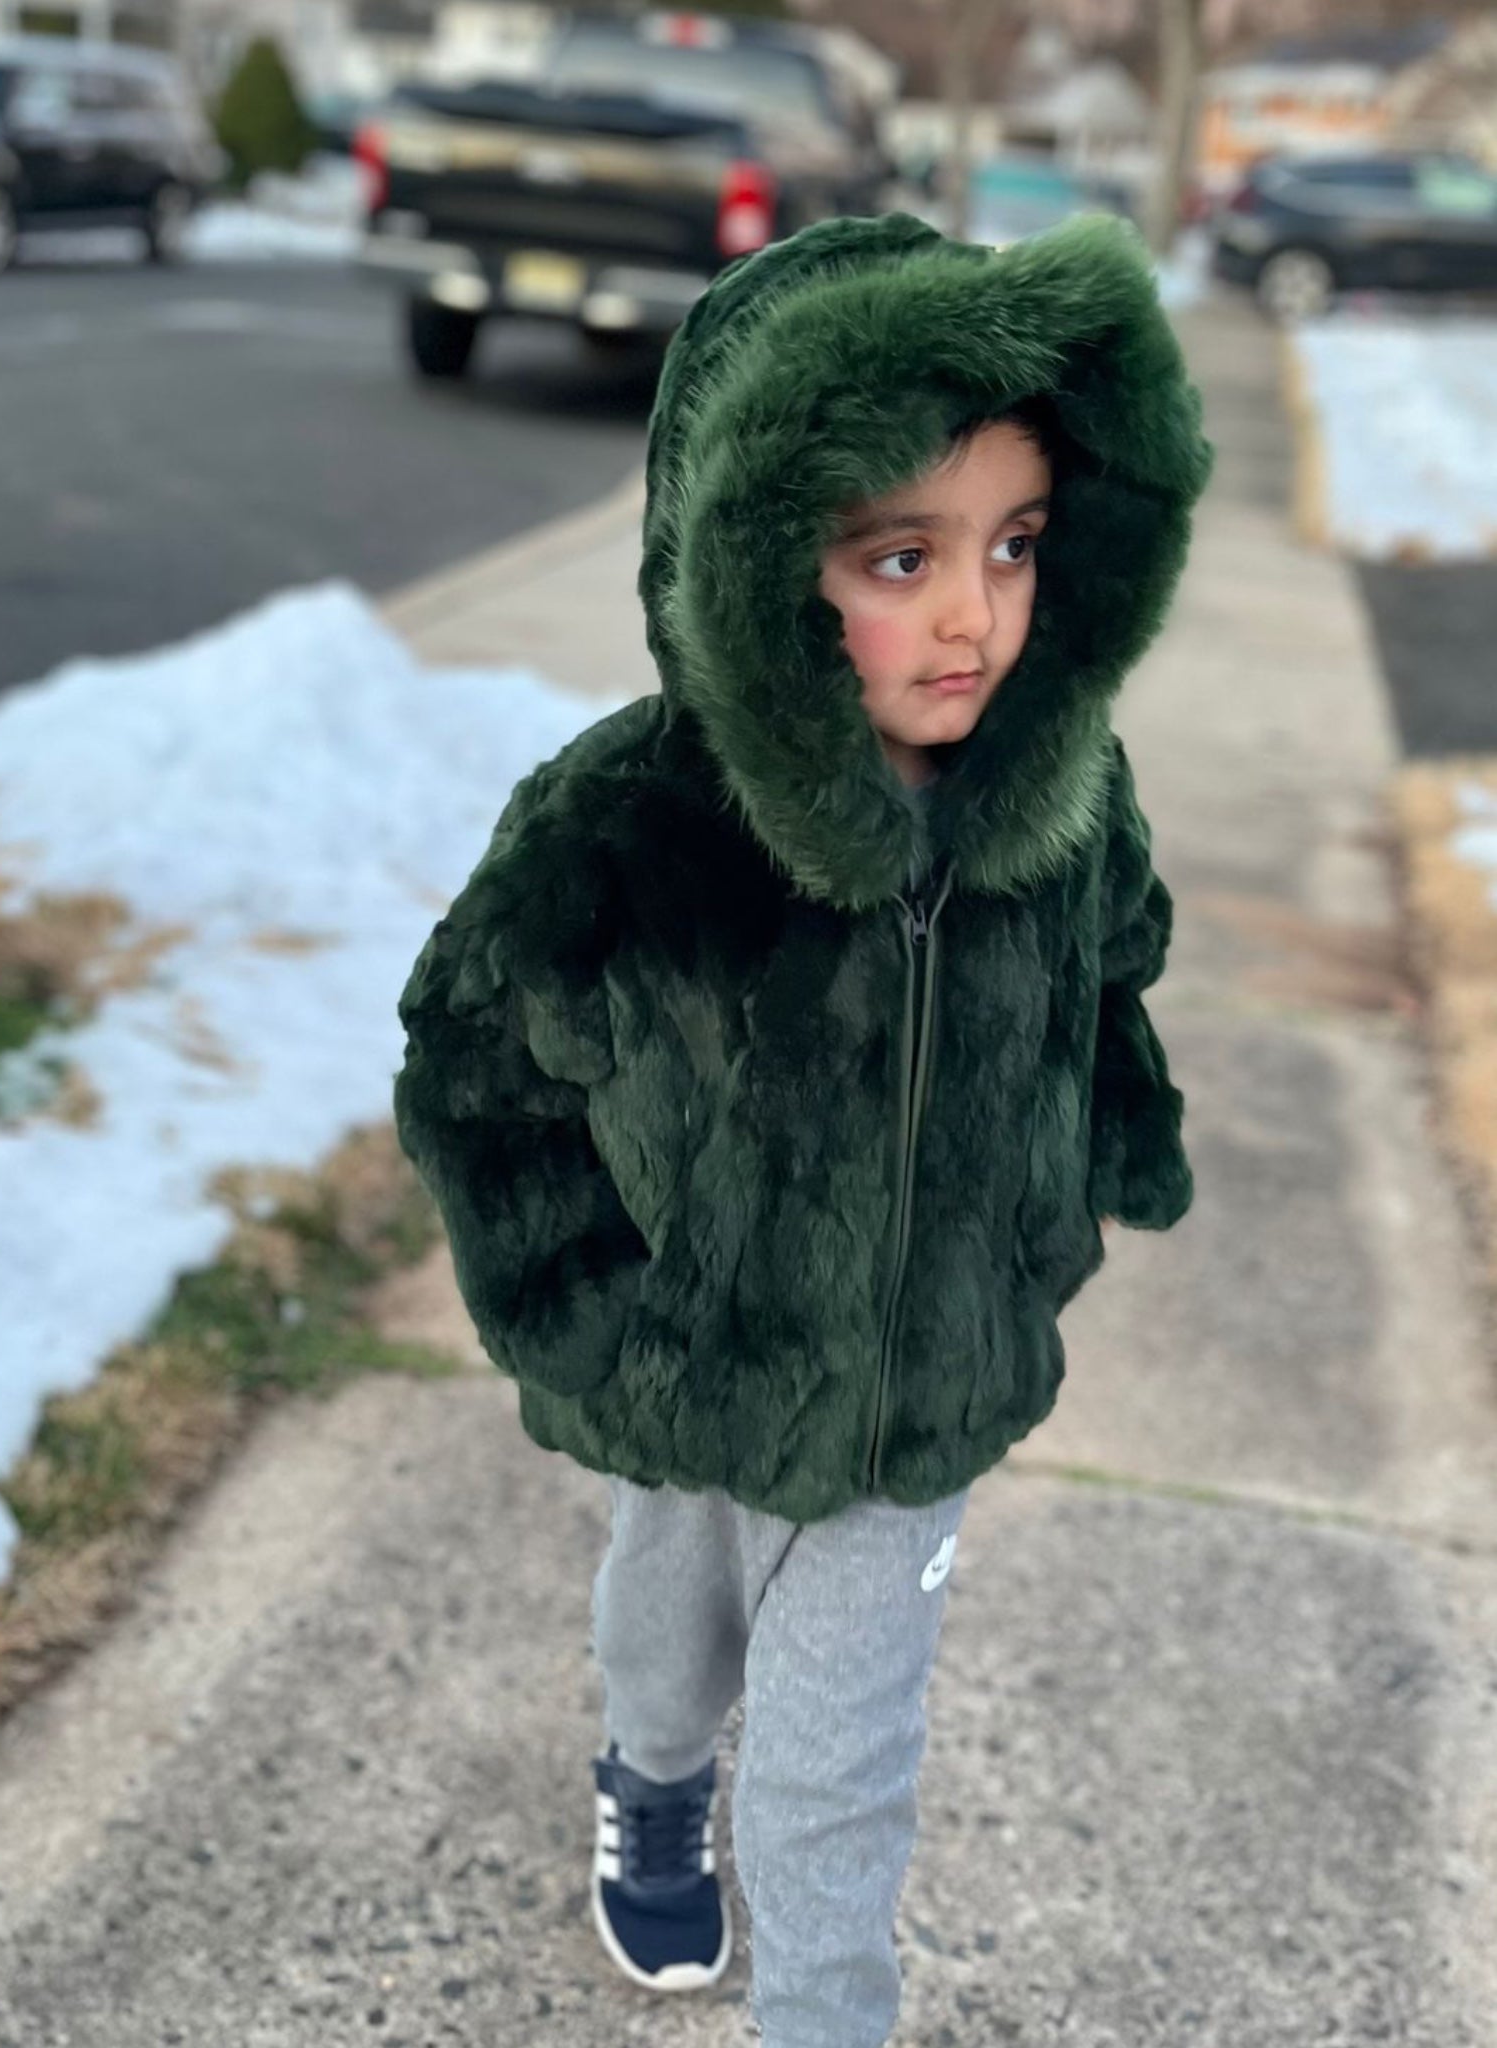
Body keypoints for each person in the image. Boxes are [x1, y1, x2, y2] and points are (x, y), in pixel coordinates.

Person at [392, 210, 1214, 2048]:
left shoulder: (1066, 799)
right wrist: (591, 1313)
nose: (972, 613)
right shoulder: (627, 823)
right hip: (689, 1370)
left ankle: (829, 2010)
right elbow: (475, 1068)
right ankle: (650, 1781)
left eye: (1015, 545)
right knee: (668, 1636)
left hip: (926, 1391)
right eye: (901, 556)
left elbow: (1111, 976)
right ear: (764, 564)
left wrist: (1084, 1183)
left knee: (844, 1764)